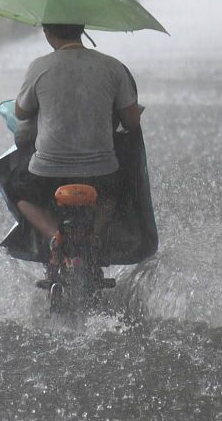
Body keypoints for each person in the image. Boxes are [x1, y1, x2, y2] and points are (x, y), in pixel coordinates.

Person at [13, 22, 143, 253]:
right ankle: (94, 235)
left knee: (21, 195)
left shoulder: (39, 67)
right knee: (113, 193)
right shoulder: (112, 66)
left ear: (47, 32)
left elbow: (21, 113)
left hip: (47, 174)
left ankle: (55, 237)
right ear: (82, 30)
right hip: (100, 173)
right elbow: (132, 122)